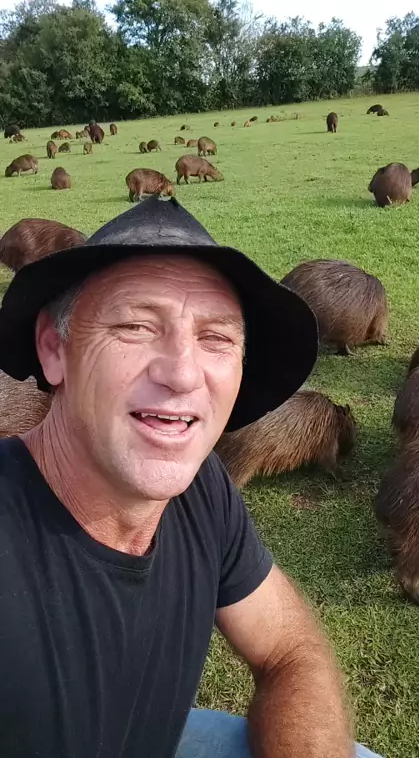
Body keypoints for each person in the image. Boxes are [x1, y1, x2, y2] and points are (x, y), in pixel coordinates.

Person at [0, 197, 383, 758]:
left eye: (216, 337)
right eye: (135, 326)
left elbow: (290, 648)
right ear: (55, 349)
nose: (182, 374)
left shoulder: (202, 488)